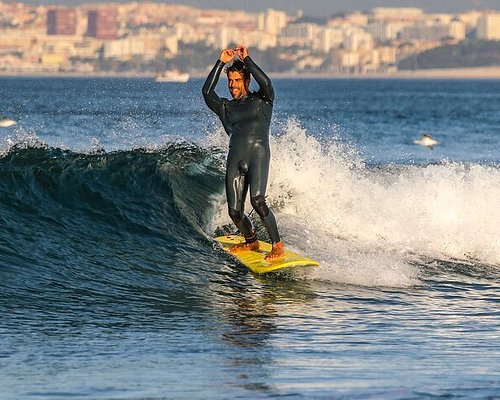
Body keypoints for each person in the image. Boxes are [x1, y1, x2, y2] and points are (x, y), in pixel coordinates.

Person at [202, 45, 284, 260]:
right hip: (235, 158)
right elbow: (207, 92)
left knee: (258, 201)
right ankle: (251, 241)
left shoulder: (262, 101)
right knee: (234, 212)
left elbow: (266, 83)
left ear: (246, 81)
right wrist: (220, 62)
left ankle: (277, 244)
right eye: (230, 81)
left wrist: (247, 59)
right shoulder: (225, 108)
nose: (232, 85)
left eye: (237, 81)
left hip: (258, 155)